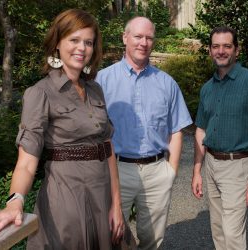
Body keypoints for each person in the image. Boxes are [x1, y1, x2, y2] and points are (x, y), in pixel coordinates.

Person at [0, 9, 124, 249]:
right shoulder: (40, 93)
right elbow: (26, 162)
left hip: (102, 194)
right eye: (74, 40)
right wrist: (14, 202)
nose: (82, 48)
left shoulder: (95, 90)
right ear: (57, 44)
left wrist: (116, 205)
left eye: (88, 42)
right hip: (66, 198)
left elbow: (107, 149)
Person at [96, 16, 192, 250]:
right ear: (125, 38)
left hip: (157, 171)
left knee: (152, 239)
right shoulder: (102, 81)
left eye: (149, 37)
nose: (143, 42)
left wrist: (171, 171)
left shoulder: (167, 83)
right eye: (138, 36)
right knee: (110, 235)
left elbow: (177, 130)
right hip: (116, 170)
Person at [191, 26, 248, 250]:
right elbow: (201, 130)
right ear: (210, 51)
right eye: (216, 46)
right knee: (218, 229)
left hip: (238, 166)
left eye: (227, 46)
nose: (221, 51)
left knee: (232, 234)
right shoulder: (207, 89)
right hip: (211, 164)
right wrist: (196, 171)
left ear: (237, 50)